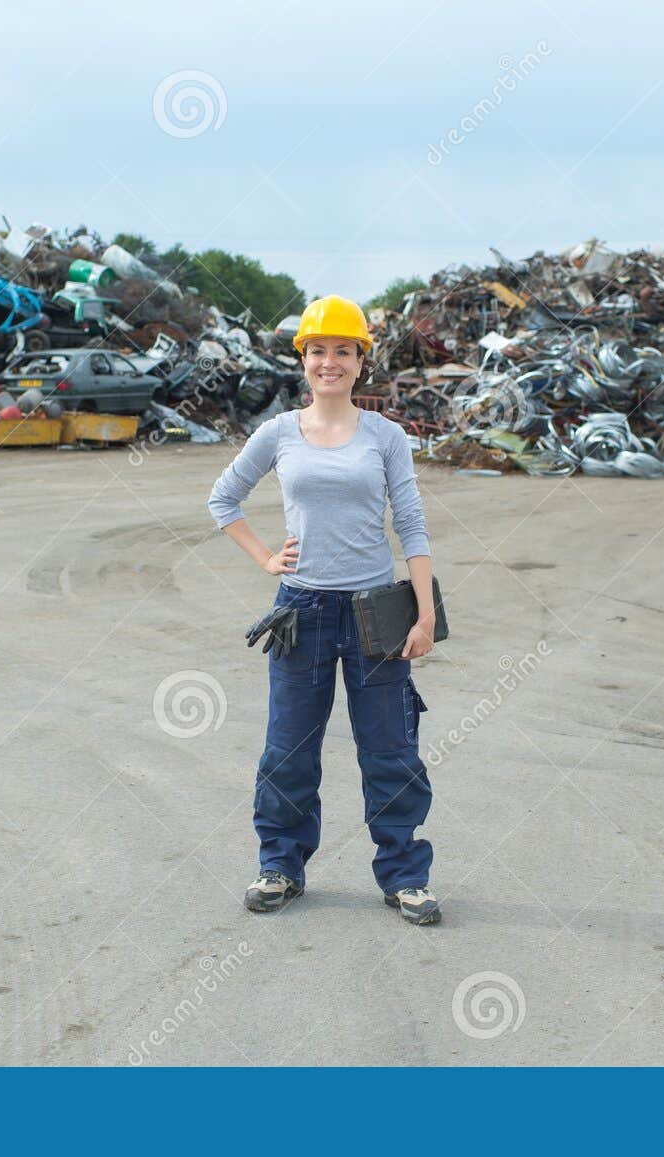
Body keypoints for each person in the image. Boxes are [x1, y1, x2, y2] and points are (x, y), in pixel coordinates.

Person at [206, 295, 441, 925]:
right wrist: (264, 558)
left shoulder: (386, 437)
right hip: (301, 611)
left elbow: (412, 526)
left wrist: (423, 616)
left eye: (343, 350)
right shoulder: (279, 432)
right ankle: (280, 864)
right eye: (317, 351)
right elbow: (223, 498)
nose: (329, 362)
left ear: (362, 360)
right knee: (288, 749)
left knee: (390, 749)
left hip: (377, 616)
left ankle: (405, 875)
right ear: (303, 360)